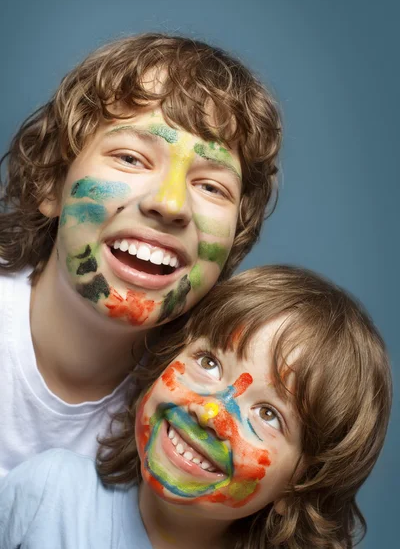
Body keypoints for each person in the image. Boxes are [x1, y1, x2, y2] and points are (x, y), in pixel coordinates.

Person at [0, 33, 282, 477]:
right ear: (51, 184)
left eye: (211, 186)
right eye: (131, 158)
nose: (170, 205)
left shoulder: (190, 429)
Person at [0, 265, 392, 549]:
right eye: (209, 363)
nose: (211, 414)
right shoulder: (51, 494)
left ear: (303, 483)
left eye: (269, 414)